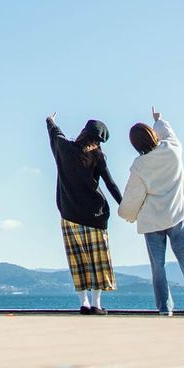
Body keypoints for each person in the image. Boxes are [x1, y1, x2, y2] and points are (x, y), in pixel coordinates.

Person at [118, 107, 184, 317]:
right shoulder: (173, 149)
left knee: (158, 267)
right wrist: (158, 120)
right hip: (176, 216)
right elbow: (168, 133)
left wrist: (127, 215)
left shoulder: (139, 166)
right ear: (153, 135)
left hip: (151, 222)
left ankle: (165, 308)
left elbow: (132, 197)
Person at [46, 112, 123, 315]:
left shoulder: (64, 149)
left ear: (83, 132)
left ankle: (84, 303)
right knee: (98, 260)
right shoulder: (98, 156)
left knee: (78, 260)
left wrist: (50, 120)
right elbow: (110, 184)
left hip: (69, 214)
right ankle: (97, 304)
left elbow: (55, 134)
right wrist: (124, 206)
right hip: (95, 215)